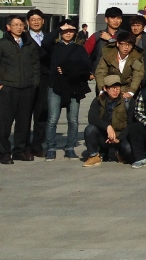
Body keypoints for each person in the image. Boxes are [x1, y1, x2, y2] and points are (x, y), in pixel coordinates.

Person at [43, 19, 91, 161]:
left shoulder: (79, 49)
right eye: (65, 31)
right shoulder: (55, 47)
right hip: (55, 86)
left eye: (71, 31)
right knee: (52, 119)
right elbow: (45, 42)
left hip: (74, 87)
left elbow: (86, 66)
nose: (68, 33)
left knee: (73, 120)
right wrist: (59, 29)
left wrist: (67, 70)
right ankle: (51, 147)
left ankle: (70, 147)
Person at [0, 13, 42, 164]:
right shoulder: (3, 44)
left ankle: (19, 151)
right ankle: (4, 153)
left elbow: (35, 64)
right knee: (4, 123)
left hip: (27, 88)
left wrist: (34, 83)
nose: (19, 27)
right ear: (8, 27)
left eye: (21, 25)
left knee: (24, 123)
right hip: (8, 87)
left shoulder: (29, 43)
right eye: (16, 25)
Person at [82, 76, 132, 166]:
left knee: (128, 150)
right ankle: (94, 155)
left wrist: (119, 138)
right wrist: (107, 127)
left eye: (118, 87)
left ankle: (119, 152)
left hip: (120, 136)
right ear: (105, 88)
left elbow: (131, 123)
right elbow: (92, 118)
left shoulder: (127, 101)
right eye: (112, 88)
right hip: (104, 136)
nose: (115, 90)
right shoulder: (98, 100)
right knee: (90, 129)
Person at [26, 8, 54, 157]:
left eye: (38, 19)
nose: (36, 22)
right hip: (27, 80)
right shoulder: (23, 38)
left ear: (43, 21)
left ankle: (37, 145)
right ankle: (24, 145)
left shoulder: (49, 38)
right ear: (28, 22)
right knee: (24, 115)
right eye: (33, 20)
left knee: (41, 114)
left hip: (45, 80)